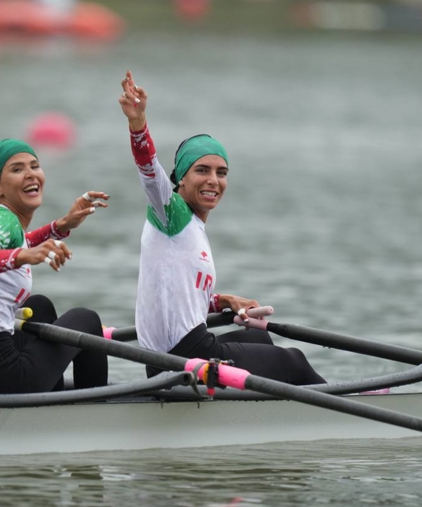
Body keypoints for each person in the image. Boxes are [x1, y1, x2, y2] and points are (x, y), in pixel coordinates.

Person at [118, 70, 326, 385]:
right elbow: (147, 166)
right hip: (184, 358)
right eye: (202, 170)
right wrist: (138, 122)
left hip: (176, 354)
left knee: (260, 341)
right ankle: (349, 407)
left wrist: (223, 300)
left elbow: (180, 294)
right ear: (181, 178)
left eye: (221, 172)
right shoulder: (169, 213)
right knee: (292, 361)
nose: (214, 180)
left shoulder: (190, 229)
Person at [0, 138, 110, 394]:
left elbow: (20, 243)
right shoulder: (4, 220)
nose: (30, 175)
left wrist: (61, 226)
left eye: (34, 166)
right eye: (17, 169)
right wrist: (24, 256)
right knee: (87, 320)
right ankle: (94, 420)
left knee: (39, 307)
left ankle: (49, 401)